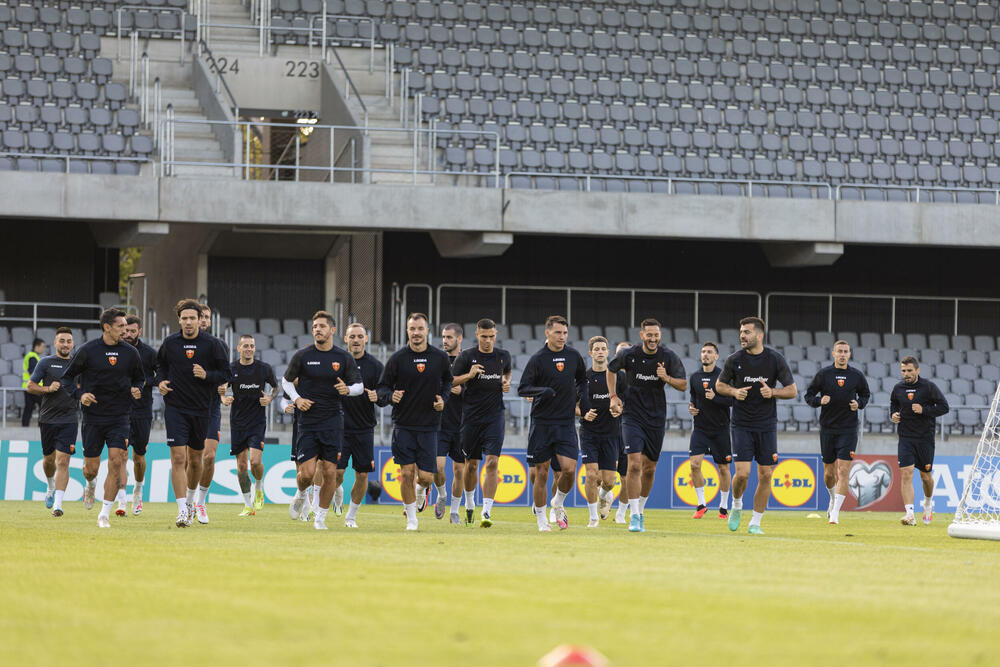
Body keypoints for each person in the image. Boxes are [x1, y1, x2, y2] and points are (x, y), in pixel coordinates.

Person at [60, 309, 145, 528]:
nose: (125, 331)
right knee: (91, 468)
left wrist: (137, 389)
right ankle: (90, 484)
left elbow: (139, 379)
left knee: (117, 461)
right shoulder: (87, 350)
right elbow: (67, 379)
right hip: (93, 418)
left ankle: (104, 513)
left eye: (126, 327)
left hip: (120, 416)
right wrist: (80, 395)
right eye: (121, 327)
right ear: (107, 327)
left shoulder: (131, 353)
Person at [282, 311, 364, 530]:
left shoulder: (342, 357)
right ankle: (301, 494)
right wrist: (297, 399)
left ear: (332, 330)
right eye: (315, 326)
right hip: (307, 422)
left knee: (329, 472)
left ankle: (320, 518)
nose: (317, 329)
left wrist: (347, 389)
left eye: (322, 326)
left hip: (332, 422)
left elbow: (359, 386)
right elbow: (285, 381)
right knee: (307, 474)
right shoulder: (302, 355)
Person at [715, 317, 797, 535]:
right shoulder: (734, 360)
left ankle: (755, 523)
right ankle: (737, 504)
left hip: (766, 425)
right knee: (742, 474)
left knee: (766, 475)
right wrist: (734, 391)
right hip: (741, 423)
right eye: (741, 331)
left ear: (759, 336)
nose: (742, 335)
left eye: (747, 332)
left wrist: (773, 392)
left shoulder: (775, 359)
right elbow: (719, 385)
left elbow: (792, 390)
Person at [155, 299, 232, 528]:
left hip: (202, 409)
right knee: (179, 458)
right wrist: (160, 382)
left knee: (196, 459)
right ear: (179, 320)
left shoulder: (213, 344)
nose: (188, 322)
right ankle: (181, 510)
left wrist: (207, 375)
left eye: (193, 318)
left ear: (200, 320)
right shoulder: (170, 343)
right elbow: (160, 367)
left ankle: (191, 502)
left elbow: (227, 373)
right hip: (175, 408)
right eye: (184, 318)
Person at [607, 318, 687, 533]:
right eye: (649, 335)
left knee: (650, 468)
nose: (652, 338)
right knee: (634, 465)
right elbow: (611, 369)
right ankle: (633, 515)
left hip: (656, 417)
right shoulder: (629, 355)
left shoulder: (668, 357)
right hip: (632, 415)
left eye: (656, 335)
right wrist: (613, 396)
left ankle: (640, 511)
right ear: (642, 335)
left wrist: (666, 377)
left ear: (660, 336)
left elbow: (683, 384)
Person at [376, 313, 452, 531]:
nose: (416, 332)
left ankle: (421, 492)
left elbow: (448, 381)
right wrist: (391, 396)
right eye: (412, 329)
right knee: (407, 473)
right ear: (407, 331)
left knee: (427, 477)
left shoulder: (439, 358)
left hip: (429, 426)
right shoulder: (397, 359)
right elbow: (382, 387)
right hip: (403, 425)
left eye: (420, 328)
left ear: (427, 330)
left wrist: (443, 400)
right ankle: (412, 519)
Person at [518, 315, 589, 532]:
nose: (562, 337)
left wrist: (580, 398)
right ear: (547, 333)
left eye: (565, 333)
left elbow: (582, 380)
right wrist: (544, 391)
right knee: (541, 472)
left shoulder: (573, 355)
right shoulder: (538, 359)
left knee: (569, 470)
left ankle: (557, 501)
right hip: (542, 423)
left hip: (566, 423)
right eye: (558, 332)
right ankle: (541, 520)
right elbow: (523, 388)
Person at [452, 318, 513, 527]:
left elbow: (507, 373)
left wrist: (507, 382)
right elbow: (449, 380)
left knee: (493, 462)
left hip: (495, 416)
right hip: (470, 418)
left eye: (491, 336)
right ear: (477, 335)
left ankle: (486, 512)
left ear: (496, 335)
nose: (488, 340)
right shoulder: (466, 356)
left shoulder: (503, 356)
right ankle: (470, 503)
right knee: (471, 466)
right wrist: (469, 375)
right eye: (484, 336)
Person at [804, 340, 871, 525]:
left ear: (850, 354)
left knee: (843, 470)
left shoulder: (856, 376)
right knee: (828, 473)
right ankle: (833, 498)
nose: (842, 354)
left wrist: (860, 404)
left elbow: (865, 394)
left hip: (849, 429)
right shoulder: (824, 374)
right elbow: (808, 395)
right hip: (828, 428)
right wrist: (819, 401)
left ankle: (835, 513)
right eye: (839, 351)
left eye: (846, 351)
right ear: (833, 353)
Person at [220, 334, 279, 516]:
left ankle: (259, 487)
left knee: (255, 461)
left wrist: (269, 398)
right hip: (238, 422)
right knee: (241, 467)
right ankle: (247, 505)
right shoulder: (231, 369)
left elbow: (276, 388)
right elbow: (222, 388)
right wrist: (223, 398)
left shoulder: (264, 369)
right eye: (245, 345)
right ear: (239, 348)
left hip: (257, 421)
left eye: (252, 346)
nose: (249, 349)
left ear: (255, 348)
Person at [335, 322, 386, 528]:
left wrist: (378, 396)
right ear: (345, 339)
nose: (356, 340)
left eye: (360, 336)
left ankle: (351, 517)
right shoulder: (336, 362)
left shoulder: (375, 366)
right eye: (352, 336)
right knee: (336, 474)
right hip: (338, 427)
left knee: (363, 474)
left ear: (366, 339)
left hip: (364, 428)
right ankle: (337, 491)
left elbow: (385, 393)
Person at [890, 356, 949, 526]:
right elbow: (893, 404)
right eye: (903, 371)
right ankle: (909, 515)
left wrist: (924, 410)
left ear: (917, 370)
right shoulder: (898, 388)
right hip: (905, 438)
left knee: (925, 477)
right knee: (906, 473)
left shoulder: (928, 387)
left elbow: (944, 407)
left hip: (925, 439)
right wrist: (893, 415)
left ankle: (928, 504)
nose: (906, 374)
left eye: (909, 370)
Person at [26, 328, 79, 517]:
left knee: (63, 460)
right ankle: (50, 487)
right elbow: (30, 386)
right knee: (49, 460)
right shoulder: (45, 362)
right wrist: (48, 388)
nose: (65, 344)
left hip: (70, 420)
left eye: (69, 341)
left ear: (73, 344)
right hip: (48, 419)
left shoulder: (78, 364)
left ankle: (58, 504)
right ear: (55, 343)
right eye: (62, 341)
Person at [578, 336, 624, 527]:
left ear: (607, 352)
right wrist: (582, 413)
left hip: (611, 433)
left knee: (609, 481)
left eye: (603, 348)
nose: (599, 351)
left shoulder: (618, 377)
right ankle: (593, 518)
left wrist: (620, 409)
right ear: (590, 353)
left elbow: (626, 400)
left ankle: (606, 496)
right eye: (596, 349)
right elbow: (572, 404)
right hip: (589, 433)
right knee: (591, 475)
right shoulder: (583, 378)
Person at [687, 342, 734, 519]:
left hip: (720, 429)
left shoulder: (723, 377)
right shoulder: (695, 377)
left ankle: (723, 507)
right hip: (700, 429)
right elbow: (694, 396)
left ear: (716, 356)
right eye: (703, 352)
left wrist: (716, 398)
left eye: (709, 352)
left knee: (723, 468)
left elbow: (733, 401)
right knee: (694, 465)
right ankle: (701, 504)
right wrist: (692, 407)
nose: (705, 355)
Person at [192, 304, 229, 525]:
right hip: (187, 408)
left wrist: (223, 385)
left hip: (211, 407)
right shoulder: (181, 345)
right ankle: (188, 501)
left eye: (207, 317)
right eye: (200, 317)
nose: (203, 320)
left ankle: (201, 502)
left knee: (209, 456)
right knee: (191, 459)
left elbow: (226, 373)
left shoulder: (219, 345)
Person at [119, 315, 157, 516]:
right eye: (125, 331)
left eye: (133, 331)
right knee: (121, 455)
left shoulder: (150, 354)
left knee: (139, 457)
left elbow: (160, 377)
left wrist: (142, 384)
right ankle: (121, 500)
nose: (128, 334)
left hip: (142, 411)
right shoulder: (115, 351)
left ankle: (138, 491)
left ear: (139, 331)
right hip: (120, 411)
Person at [436, 323, 466, 523]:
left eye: (449, 337)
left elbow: (477, 389)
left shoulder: (468, 360)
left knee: (459, 470)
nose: (445, 340)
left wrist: (461, 390)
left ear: (459, 339)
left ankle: (454, 510)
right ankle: (441, 495)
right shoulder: (438, 360)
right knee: (437, 468)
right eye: (444, 337)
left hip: (463, 424)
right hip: (440, 423)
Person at [612, 341, 631, 524]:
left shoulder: (637, 378)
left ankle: (621, 513)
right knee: (604, 478)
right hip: (608, 430)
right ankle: (606, 494)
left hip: (628, 430)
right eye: (620, 352)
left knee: (626, 475)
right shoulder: (609, 376)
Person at [21, 337, 45, 426]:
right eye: (42, 346)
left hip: (29, 387)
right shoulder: (32, 357)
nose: (43, 349)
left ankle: (25, 426)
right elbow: (33, 374)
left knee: (29, 408)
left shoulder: (32, 356)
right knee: (42, 407)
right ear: (37, 346)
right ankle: (41, 426)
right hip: (34, 388)